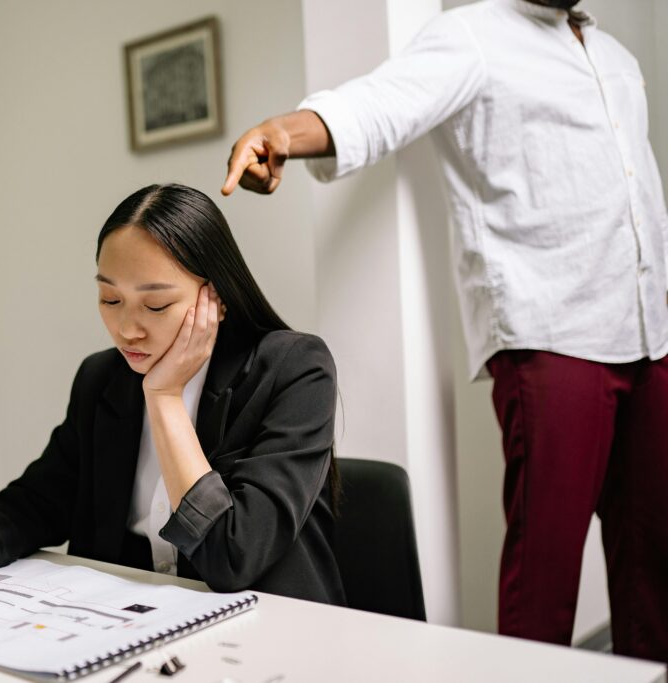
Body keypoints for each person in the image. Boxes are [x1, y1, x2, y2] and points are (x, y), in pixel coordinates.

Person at [221, 0, 668, 663]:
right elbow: (377, 104)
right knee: (545, 569)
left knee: (655, 555)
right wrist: (282, 133)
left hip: (649, 329)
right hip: (550, 332)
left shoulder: (618, 62)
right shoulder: (474, 36)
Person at [0, 183, 345, 619]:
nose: (127, 329)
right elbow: (38, 502)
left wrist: (166, 397)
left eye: (155, 306)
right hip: (129, 625)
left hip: (273, 633)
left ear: (217, 298)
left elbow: (234, 554)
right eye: (110, 298)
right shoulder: (102, 378)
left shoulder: (295, 370)